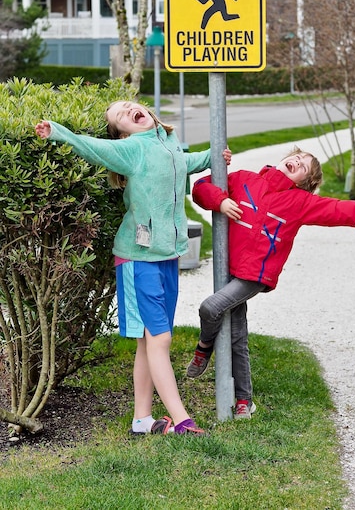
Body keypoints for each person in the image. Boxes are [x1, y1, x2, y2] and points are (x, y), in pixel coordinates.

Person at [35, 100, 231, 436]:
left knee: (148, 341)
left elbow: (184, 164)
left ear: (146, 110)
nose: (128, 111)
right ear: (121, 132)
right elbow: (92, 148)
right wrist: (59, 133)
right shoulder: (130, 149)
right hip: (138, 258)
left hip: (166, 255)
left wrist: (214, 157)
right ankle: (182, 420)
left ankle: (142, 420)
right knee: (161, 338)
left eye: (129, 106)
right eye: (119, 116)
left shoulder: (166, 142)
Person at [186, 146, 355, 419]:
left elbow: (342, 211)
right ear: (284, 159)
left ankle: (204, 348)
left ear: (306, 182)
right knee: (236, 336)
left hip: (255, 276)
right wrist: (219, 201)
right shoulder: (244, 179)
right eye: (297, 157)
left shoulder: (300, 202)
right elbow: (200, 187)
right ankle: (244, 400)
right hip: (229, 268)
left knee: (210, 307)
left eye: (304, 166)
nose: (297, 162)